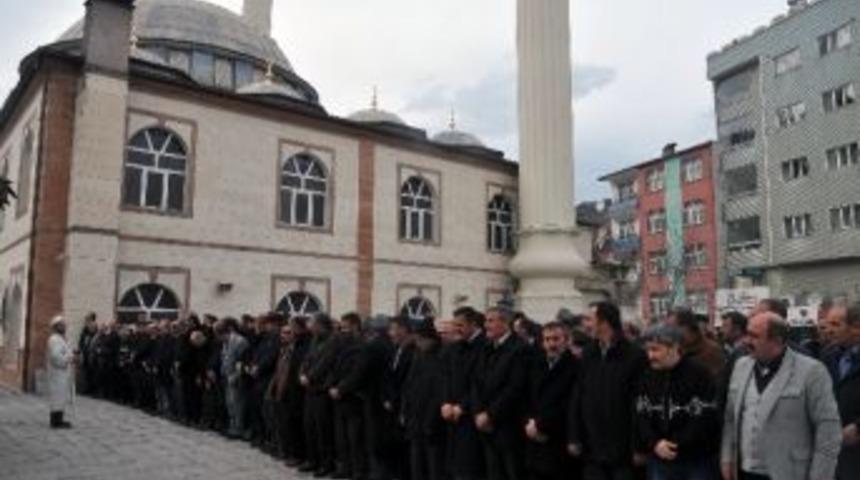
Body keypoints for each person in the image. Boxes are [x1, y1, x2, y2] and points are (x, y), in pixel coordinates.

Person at [720, 312, 842, 480]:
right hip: (744, 471)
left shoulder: (812, 371)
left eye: (754, 336)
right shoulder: (741, 366)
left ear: (777, 340)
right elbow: (730, 419)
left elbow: (828, 431)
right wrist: (727, 458)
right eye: (747, 334)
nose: (746, 341)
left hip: (790, 473)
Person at [568, 301, 647, 480]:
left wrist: (639, 447)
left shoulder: (635, 356)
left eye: (589, 319)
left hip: (623, 451)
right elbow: (578, 396)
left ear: (604, 322)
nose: (585, 325)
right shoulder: (588, 354)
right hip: (592, 448)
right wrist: (574, 436)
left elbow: (639, 404)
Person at [634, 324, 720, 480]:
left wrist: (676, 444)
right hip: (659, 459)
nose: (650, 356)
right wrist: (655, 443)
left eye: (656, 349)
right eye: (648, 350)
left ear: (674, 348)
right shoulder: (647, 376)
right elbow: (641, 414)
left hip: (697, 460)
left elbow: (706, 417)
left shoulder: (700, 375)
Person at [472, 306, 530, 480]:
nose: (486, 325)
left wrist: (490, 415)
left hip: (508, 426)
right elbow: (476, 382)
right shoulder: (487, 347)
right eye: (485, 321)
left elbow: (514, 388)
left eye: (491, 321)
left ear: (505, 323)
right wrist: (478, 413)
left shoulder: (520, 348)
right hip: (486, 426)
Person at [525, 322, 580, 480]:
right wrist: (529, 423)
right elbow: (527, 398)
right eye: (547, 339)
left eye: (556, 339)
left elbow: (570, 404)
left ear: (567, 340)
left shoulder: (576, 367)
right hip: (534, 440)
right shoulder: (536, 365)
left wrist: (541, 426)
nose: (551, 344)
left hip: (559, 441)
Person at [442, 306, 487, 480]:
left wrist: (462, 406)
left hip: (470, 414)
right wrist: (445, 402)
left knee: (469, 467)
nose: (455, 329)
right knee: (454, 467)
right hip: (452, 414)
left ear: (473, 324)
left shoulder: (483, 346)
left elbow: (478, 383)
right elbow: (446, 376)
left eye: (460, 325)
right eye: (454, 325)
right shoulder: (455, 347)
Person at [403, 321, 448, 480]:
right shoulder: (419, 355)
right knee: (416, 463)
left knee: (433, 464)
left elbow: (439, 391)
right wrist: (405, 410)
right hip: (415, 419)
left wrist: (431, 419)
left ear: (430, 339)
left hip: (432, 421)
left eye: (420, 340)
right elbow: (409, 385)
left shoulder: (441, 356)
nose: (417, 344)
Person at [329, 312, 369, 480]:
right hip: (339, 396)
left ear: (355, 326)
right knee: (341, 437)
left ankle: (358, 471)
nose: (342, 330)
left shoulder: (362, 345)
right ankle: (345, 468)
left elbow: (358, 373)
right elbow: (334, 367)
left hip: (354, 398)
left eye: (345, 327)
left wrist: (341, 389)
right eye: (341, 327)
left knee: (355, 438)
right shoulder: (342, 344)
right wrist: (332, 386)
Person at [822, 302, 860, 479]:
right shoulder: (829, 355)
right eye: (827, 324)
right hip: (835, 456)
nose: (828, 330)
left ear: (856, 328)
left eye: (835, 325)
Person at [299, 312, 340, 477]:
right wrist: (301, 373)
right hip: (309, 389)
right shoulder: (314, 339)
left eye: (311, 322)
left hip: (321, 390)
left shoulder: (332, 340)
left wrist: (309, 377)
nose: (309, 325)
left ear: (320, 324)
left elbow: (326, 362)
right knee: (309, 426)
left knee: (322, 429)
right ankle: (312, 460)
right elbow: (306, 359)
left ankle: (326, 463)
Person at [268, 316, 312, 466]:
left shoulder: (304, 345)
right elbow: (280, 369)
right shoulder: (290, 346)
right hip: (284, 389)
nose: (289, 331)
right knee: (285, 424)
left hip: (296, 391)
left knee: (295, 425)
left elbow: (298, 369)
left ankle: (297, 455)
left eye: (291, 328)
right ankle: (287, 451)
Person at [216, 317, 249, 439]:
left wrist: (235, 376)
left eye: (219, 336)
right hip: (226, 375)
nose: (219, 340)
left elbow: (242, 361)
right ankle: (232, 426)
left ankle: (238, 429)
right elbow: (225, 358)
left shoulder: (239, 341)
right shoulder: (226, 342)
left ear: (225, 333)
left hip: (236, 378)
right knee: (230, 403)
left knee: (237, 403)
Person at [674, 308, 726, 382]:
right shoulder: (677, 348)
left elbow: (715, 381)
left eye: (675, 327)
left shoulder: (711, 350)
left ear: (687, 327)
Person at [47, 315, 75, 429]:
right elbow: (55, 357)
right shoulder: (54, 339)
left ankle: (59, 418)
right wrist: (68, 359)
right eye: (62, 325)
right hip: (58, 372)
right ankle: (56, 421)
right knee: (57, 396)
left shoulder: (61, 339)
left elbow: (66, 351)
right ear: (56, 326)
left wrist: (70, 356)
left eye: (64, 324)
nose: (64, 326)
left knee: (61, 396)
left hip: (63, 373)